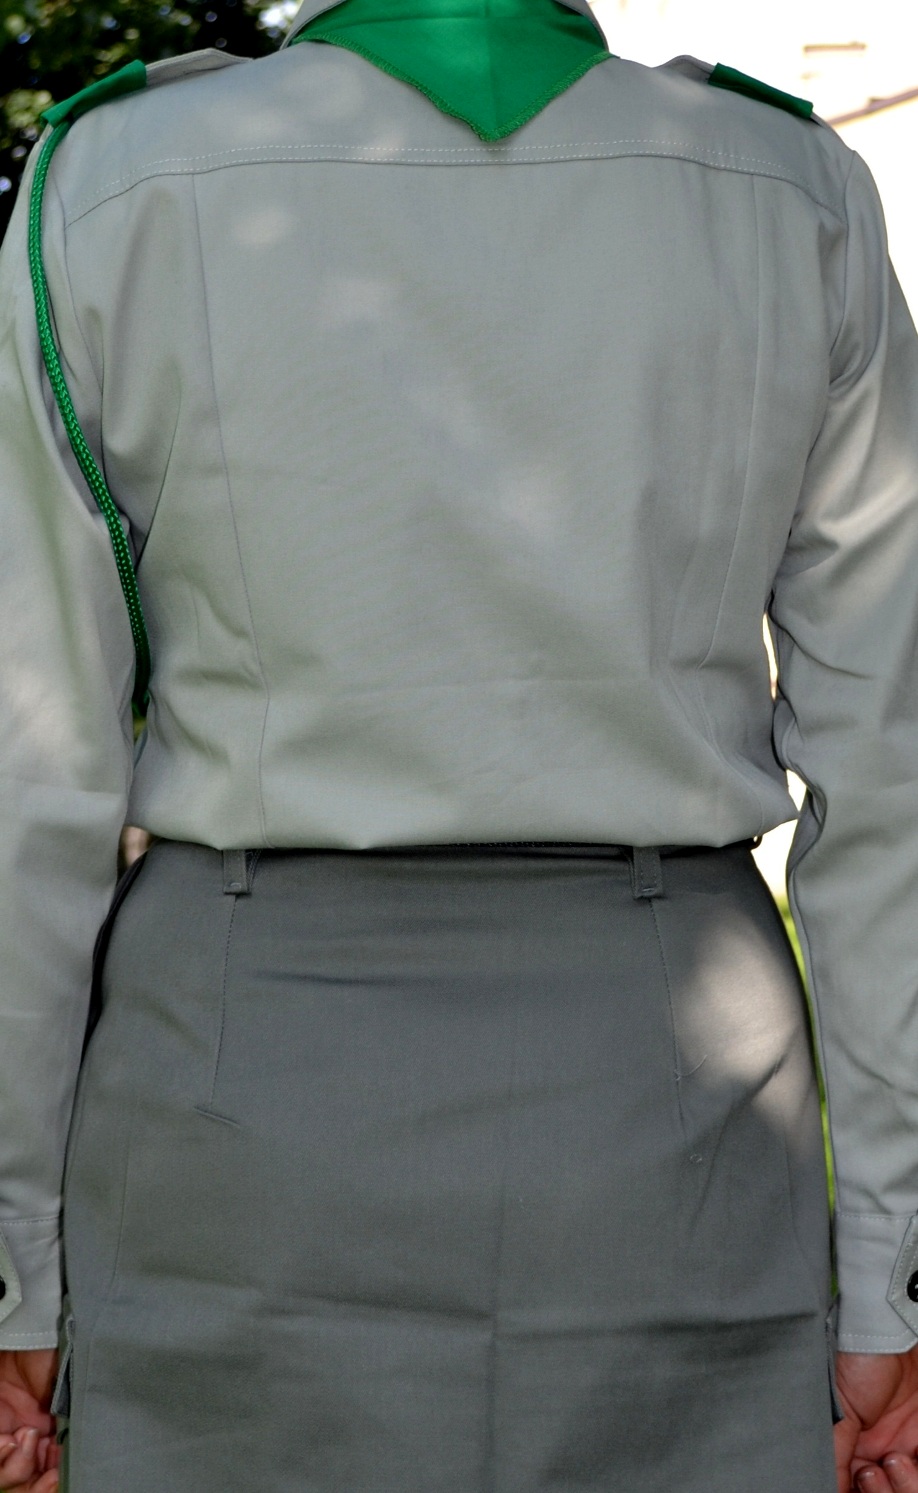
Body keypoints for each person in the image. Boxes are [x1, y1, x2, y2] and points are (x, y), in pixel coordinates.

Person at [1, 0, 918, 1488]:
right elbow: (890, 776)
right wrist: (893, 1270)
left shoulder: (118, 177)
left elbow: (28, 772)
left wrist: (13, 1278)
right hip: (671, 1078)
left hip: (238, 1068)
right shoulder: (785, 186)